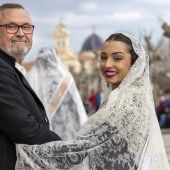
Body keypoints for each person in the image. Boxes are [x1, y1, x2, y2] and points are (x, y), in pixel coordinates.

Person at [16, 33, 170, 169]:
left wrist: (22, 152)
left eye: (117, 58)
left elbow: (82, 148)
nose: (107, 64)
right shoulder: (119, 97)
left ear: (134, 64)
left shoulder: (129, 101)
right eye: (103, 57)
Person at [0, 3, 61, 170]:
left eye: (26, 27)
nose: (20, 33)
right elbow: (24, 128)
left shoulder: (11, 68)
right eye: (11, 27)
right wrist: (66, 148)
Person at [27, 46, 88, 140]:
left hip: (39, 133)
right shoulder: (66, 79)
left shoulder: (31, 79)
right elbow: (76, 108)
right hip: (66, 131)